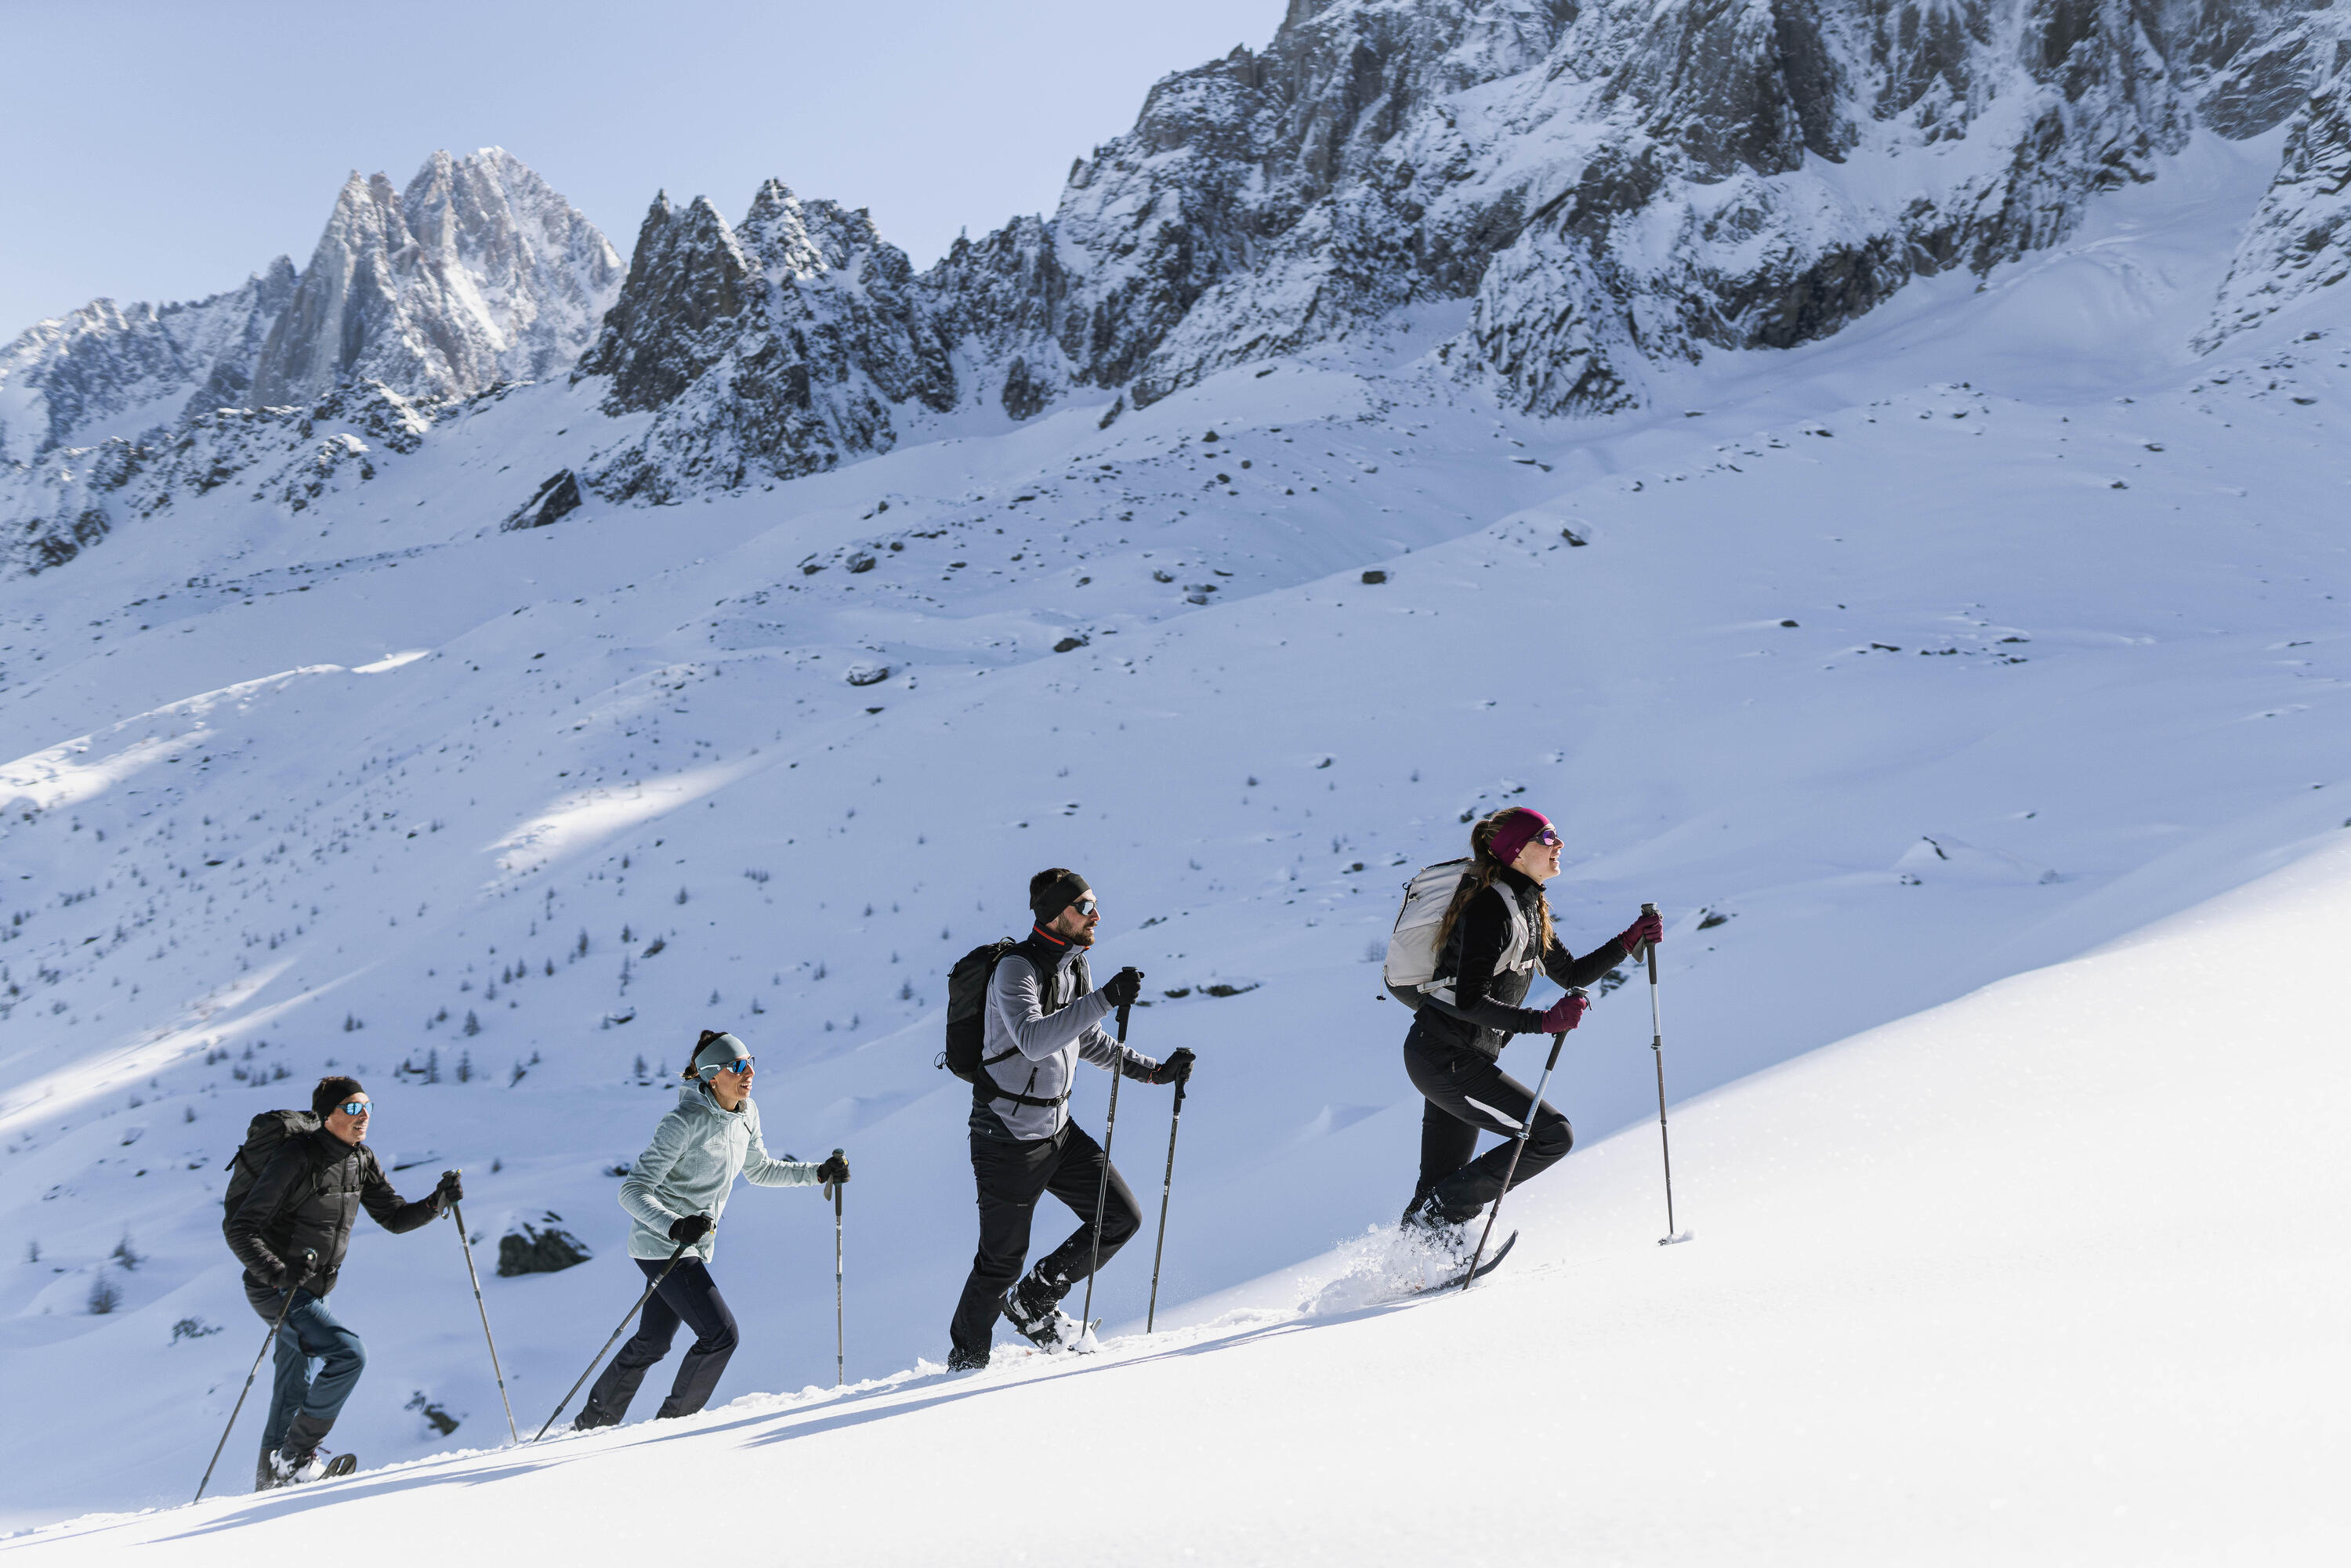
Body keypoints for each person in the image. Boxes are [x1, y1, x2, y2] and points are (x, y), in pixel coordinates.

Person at [947, 867, 1194, 1370]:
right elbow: (1035, 1039)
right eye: (1085, 907)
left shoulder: (1073, 967)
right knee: (1000, 1261)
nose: (1096, 915)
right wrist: (1105, 999)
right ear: (1058, 912)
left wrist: (1153, 1072)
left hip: (1057, 1129)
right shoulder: (1016, 968)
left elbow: (1084, 1039)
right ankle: (965, 1362)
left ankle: (1035, 1298)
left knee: (1120, 1218)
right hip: (1006, 1135)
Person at [1400, 808, 1663, 1236]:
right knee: (1552, 1136)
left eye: (1556, 836)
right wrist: (1543, 1021)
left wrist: (1630, 938)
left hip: (1455, 1056)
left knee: (1441, 1179)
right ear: (1516, 853)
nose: (1558, 844)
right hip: (1445, 1056)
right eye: (1547, 837)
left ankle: (1409, 1266)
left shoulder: (1528, 906)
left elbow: (1572, 974)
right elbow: (1468, 1000)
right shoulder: (1491, 908)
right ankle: (1439, 1219)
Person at [572, 1030, 846, 1429]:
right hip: (661, 1244)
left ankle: (591, 1424)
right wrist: (674, 1225)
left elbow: (759, 1169)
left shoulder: (746, 1113)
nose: (749, 1071)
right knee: (721, 1335)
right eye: (737, 1066)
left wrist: (817, 1172)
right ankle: (673, 1426)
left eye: (750, 1060)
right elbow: (632, 1190)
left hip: (691, 1245)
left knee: (653, 1341)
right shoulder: (682, 1123)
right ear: (712, 1076)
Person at [223, 1076, 459, 1489]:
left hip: (313, 1291)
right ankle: (294, 1459)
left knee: (293, 1389)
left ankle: (270, 1483)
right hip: (278, 1289)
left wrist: (436, 1202)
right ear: (328, 1115)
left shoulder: (361, 1159)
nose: (363, 1115)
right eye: (352, 1107)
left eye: (367, 1105)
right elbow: (240, 1228)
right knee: (349, 1355)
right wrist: (278, 1272)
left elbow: (394, 1217)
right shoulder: (296, 1159)